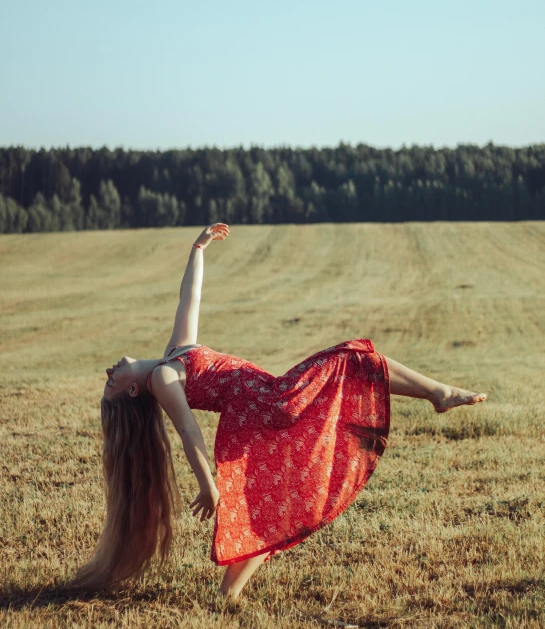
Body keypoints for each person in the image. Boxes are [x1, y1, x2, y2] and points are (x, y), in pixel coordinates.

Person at [73, 223, 487, 600]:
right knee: (354, 357)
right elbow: (188, 432)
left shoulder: (173, 355)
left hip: (260, 408)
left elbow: (189, 298)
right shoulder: (162, 380)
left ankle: (228, 592)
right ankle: (437, 393)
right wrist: (208, 485)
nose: (109, 371)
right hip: (272, 402)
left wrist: (198, 249)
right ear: (130, 392)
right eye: (111, 383)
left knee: (267, 504)